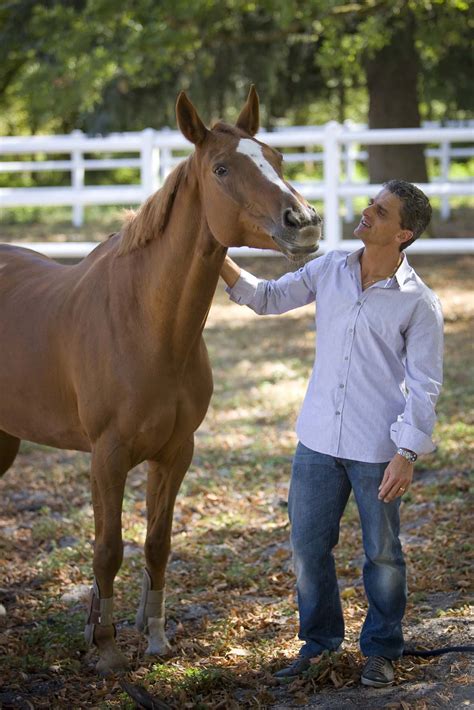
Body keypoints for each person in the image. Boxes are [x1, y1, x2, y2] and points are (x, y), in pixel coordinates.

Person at [219, 180, 444, 688]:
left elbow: (426, 386)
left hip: (375, 450)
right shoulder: (331, 270)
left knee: (382, 554)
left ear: (403, 233)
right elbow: (268, 297)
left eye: (380, 211)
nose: (366, 212)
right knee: (307, 549)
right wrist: (216, 254)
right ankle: (320, 644)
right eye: (371, 203)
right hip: (317, 443)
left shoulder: (418, 303)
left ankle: (382, 650)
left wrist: (406, 453)